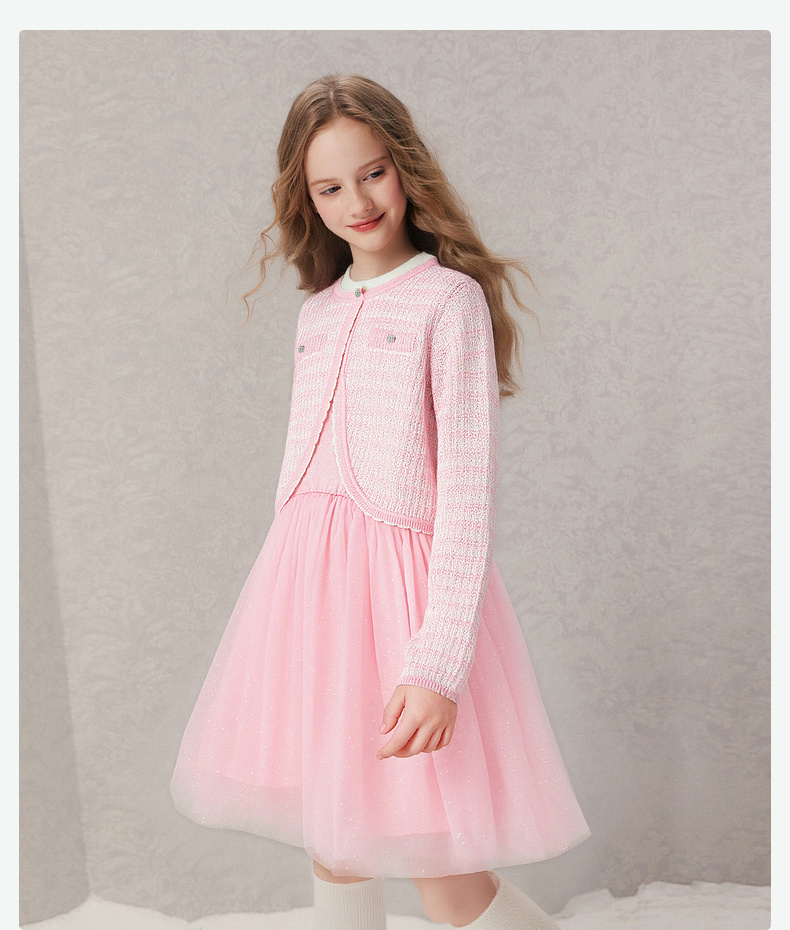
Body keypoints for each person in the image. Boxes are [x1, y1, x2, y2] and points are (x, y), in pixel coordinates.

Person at [170, 74, 591, 929]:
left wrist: (437, 665)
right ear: (306, 198)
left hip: (406, 605)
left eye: (373, 174)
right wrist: (282, 622)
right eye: (329, 187)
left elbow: (467, 496)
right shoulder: (318, 316)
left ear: (405, 167)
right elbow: (299, 484)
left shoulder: (448, 301)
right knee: (337, 842)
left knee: (441, 868)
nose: (357, 203)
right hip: (312, 608)